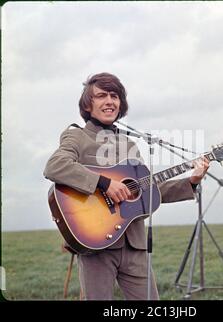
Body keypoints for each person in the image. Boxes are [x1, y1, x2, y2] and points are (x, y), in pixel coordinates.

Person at [43, 72, 210, 300]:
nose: (109, 101)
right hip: (96, 244)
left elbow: (147, 189)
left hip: (135, 245)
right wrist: (103, 183)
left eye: (114, 95)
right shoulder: (77, 136)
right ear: (87, 104)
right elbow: (55, 165)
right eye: (101, 95)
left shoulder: (129, 144)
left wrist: (191, 181)